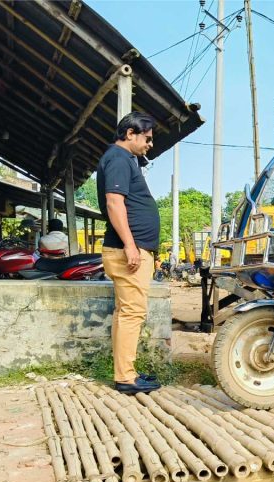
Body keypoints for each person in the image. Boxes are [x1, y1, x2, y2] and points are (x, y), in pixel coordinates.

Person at [97, 112, 161, 394]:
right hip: (127, 251)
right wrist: (130, 245)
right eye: (147, 138)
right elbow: (114, 202)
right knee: (132, 313)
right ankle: (125, 378)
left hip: (130, 249)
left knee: (127, 312)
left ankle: (126, 372)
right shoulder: (119, 159)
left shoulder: (122, 159)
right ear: (130, 133)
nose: (149, 144)